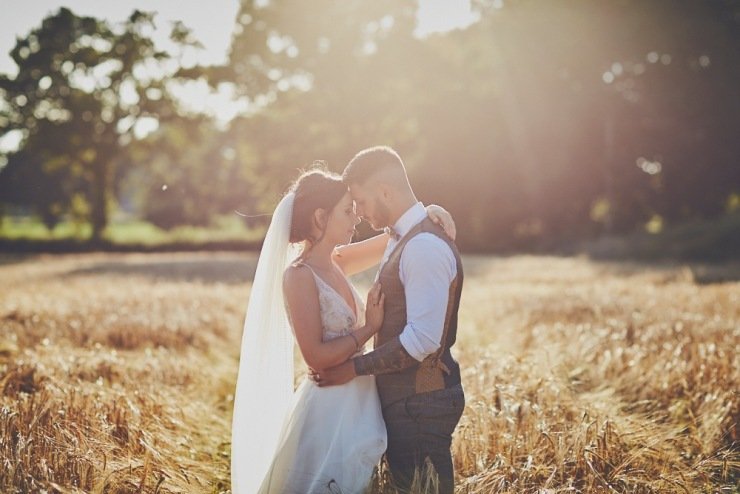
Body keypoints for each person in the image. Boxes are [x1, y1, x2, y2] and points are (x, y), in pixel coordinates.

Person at [231, 165, 456, 494]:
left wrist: (428, 212)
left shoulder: (337, 261)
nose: (357, 218)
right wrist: (368, 329)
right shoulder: (298, 276)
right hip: (329, 405)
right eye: (348, 211)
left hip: (362, 395)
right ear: (321, 218)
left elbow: (398, 233)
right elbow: (316, 357)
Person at [316, 146, 466, 494]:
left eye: (362, 201)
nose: (359, 212)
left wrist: (351, 369)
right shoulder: (402, 236)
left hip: (421, 404)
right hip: (411, 404)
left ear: (385, 191)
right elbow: (331, 262)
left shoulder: (423, 247)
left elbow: (423, 341)